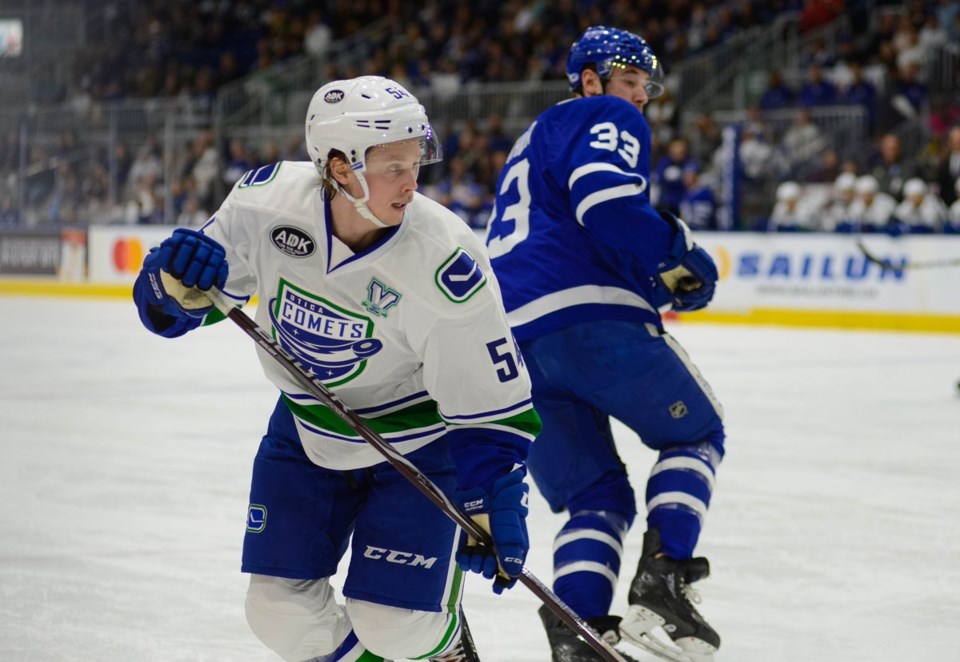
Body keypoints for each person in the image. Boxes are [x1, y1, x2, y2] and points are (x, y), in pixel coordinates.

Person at [132, 75, 541, 662]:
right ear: (339, 167)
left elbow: (488, 405)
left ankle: (447, 651)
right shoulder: (265, 201)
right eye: (392, 166)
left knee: (397, 626)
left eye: (415, 163)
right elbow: (184, 307)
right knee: (277, 612)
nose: (411, 182)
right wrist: (170, 284)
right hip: (306, 429)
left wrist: (491, 497)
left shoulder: (444, 259)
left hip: (419, 448)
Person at [485, 26, 724, 662]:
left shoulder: (530, 141)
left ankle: (579, 633)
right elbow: (607, 203)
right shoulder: (605, 114)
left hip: (509, 345)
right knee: (695, 434)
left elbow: (564, 230)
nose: (641, 95)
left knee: (596, 499)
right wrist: (679, 251)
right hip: (587, 317)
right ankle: (665, 582)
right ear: (590, 79)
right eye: (631, 79)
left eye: (644, 84)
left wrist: (653, 276)